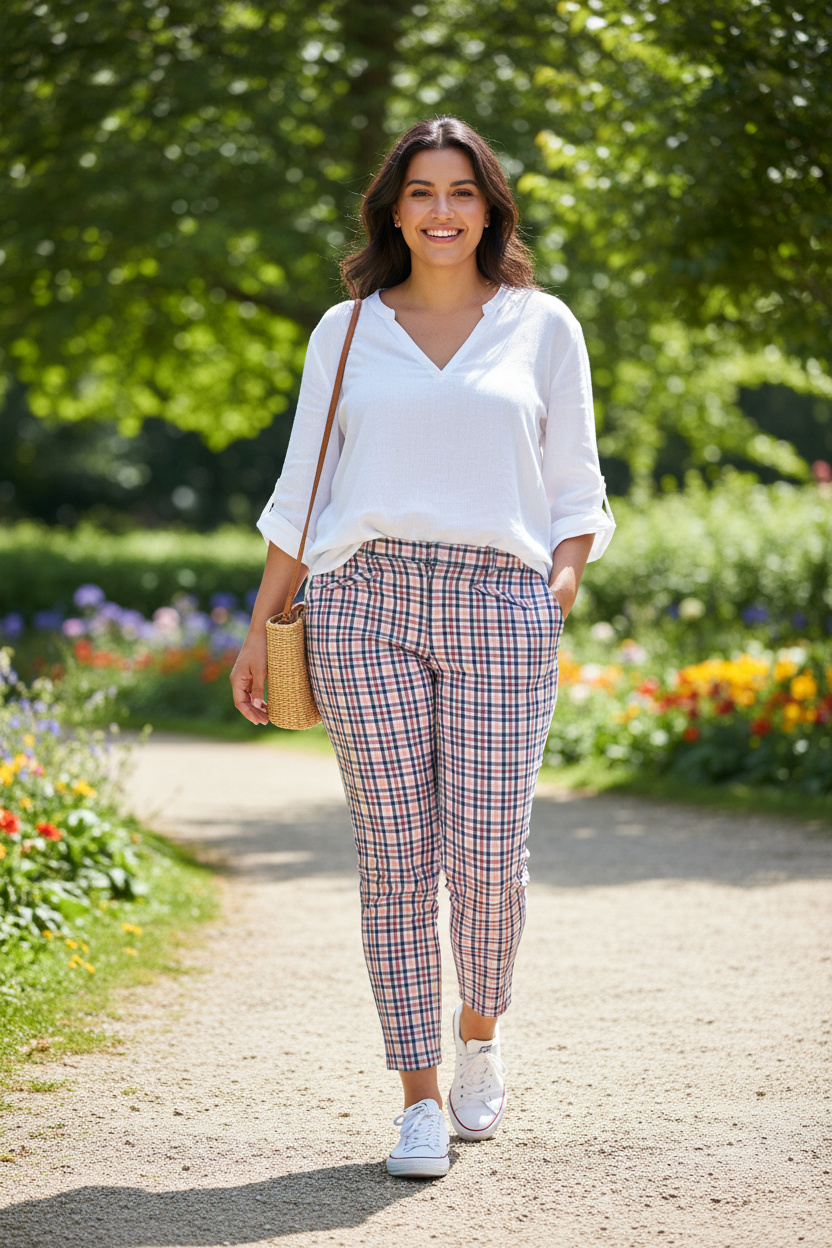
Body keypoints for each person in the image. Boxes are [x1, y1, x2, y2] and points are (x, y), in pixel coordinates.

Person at [230, 116, 615, 1178]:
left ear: (489, 207)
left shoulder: (543, 326)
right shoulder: (347, 329)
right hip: (367, 603)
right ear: (391, 211)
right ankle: (416, 1099)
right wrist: (263, 628)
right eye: (420, 193)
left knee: (488, 861)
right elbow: (301, 490)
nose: (440, 211)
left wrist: (558, 591)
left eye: (460, 192)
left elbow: (576, 486)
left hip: (502, 604)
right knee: (394, 863)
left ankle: (479, 1032)